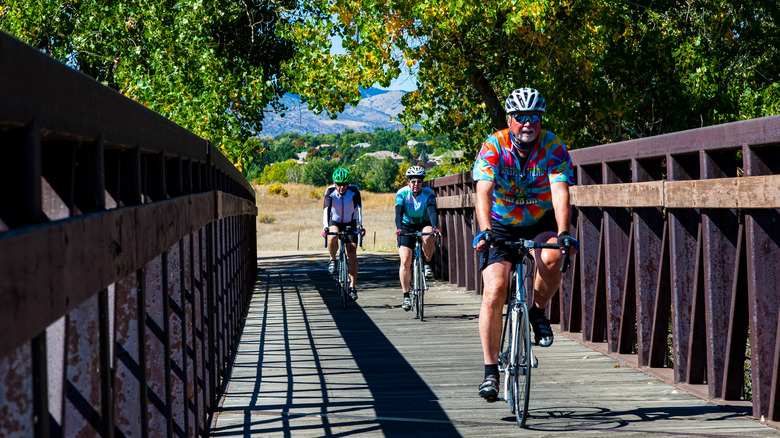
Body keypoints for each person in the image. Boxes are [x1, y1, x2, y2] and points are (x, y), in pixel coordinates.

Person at [471, 88, 579, 402]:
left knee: (551, 259)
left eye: (534, 117)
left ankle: (537, 313)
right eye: (520, 117)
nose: (527, 123)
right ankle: (491, 372)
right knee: (494, 289)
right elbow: (483, 189)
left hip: (539, 219)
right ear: (510, 119)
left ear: (541, 120)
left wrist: (562, 233)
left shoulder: (553, 146)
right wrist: (485, 230)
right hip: (501, 223)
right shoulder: (495, 144)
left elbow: (560, 190)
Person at [394, 166, 440, 311]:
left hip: (423, 223)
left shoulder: (428, 193)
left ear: (422, 183)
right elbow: (398, 214)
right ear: (408, 182)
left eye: (419, 182)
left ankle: (427, 263)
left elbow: (432, 212)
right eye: (413, 181)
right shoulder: (402, 193)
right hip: (407, 225)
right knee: (405, 261)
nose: (416, 184)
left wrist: (435, 226)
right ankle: (406, 295)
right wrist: (399, 229)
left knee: (429, 234)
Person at [322, 168, 365, 301]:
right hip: (335, 221)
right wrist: (325, 226)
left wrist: (360, 225)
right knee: (333, 236)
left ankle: (352, 287)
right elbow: (326, 209)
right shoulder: (330, 191)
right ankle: (332, 259)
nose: (341, 187)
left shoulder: (354, 190)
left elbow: (358, 209)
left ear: (348, 183)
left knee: (352, 251)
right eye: (339, 184)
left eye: (344, 184)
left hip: (350, 222)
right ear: (334, 183)